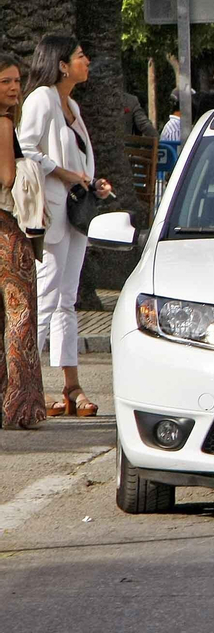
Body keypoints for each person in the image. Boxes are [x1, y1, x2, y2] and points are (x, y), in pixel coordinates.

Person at [19, 36, 114, 418]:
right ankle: (23, 386)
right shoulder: (41, 99)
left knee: (67, 301)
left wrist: (92, 182)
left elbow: (79, 160)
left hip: (76, 212)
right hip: (52, 212)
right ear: (61, 64)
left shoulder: (71, 104)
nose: (86, 61)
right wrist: (63, 173)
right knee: (46, 297)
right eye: (79, 56)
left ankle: (71, 387)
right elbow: (25, 147)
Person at [0, 58, 47, 428]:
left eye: (16, 81)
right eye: (5, 82)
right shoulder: (2, 124)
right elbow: (6, 176)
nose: (14, 88)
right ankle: (20, 406)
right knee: (21, 315)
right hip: (7, 230)